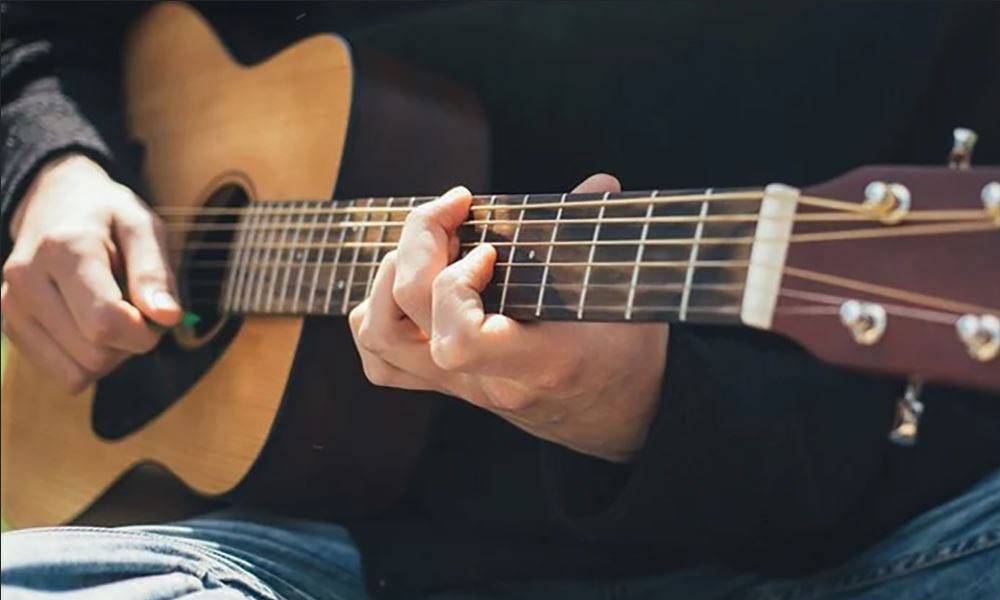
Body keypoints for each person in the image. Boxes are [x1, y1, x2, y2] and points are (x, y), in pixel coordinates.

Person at [2, 2, 998, 599]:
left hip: (837, 542)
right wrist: (52, 167)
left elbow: (934, 429)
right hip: (270, 534)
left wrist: (640, 406)